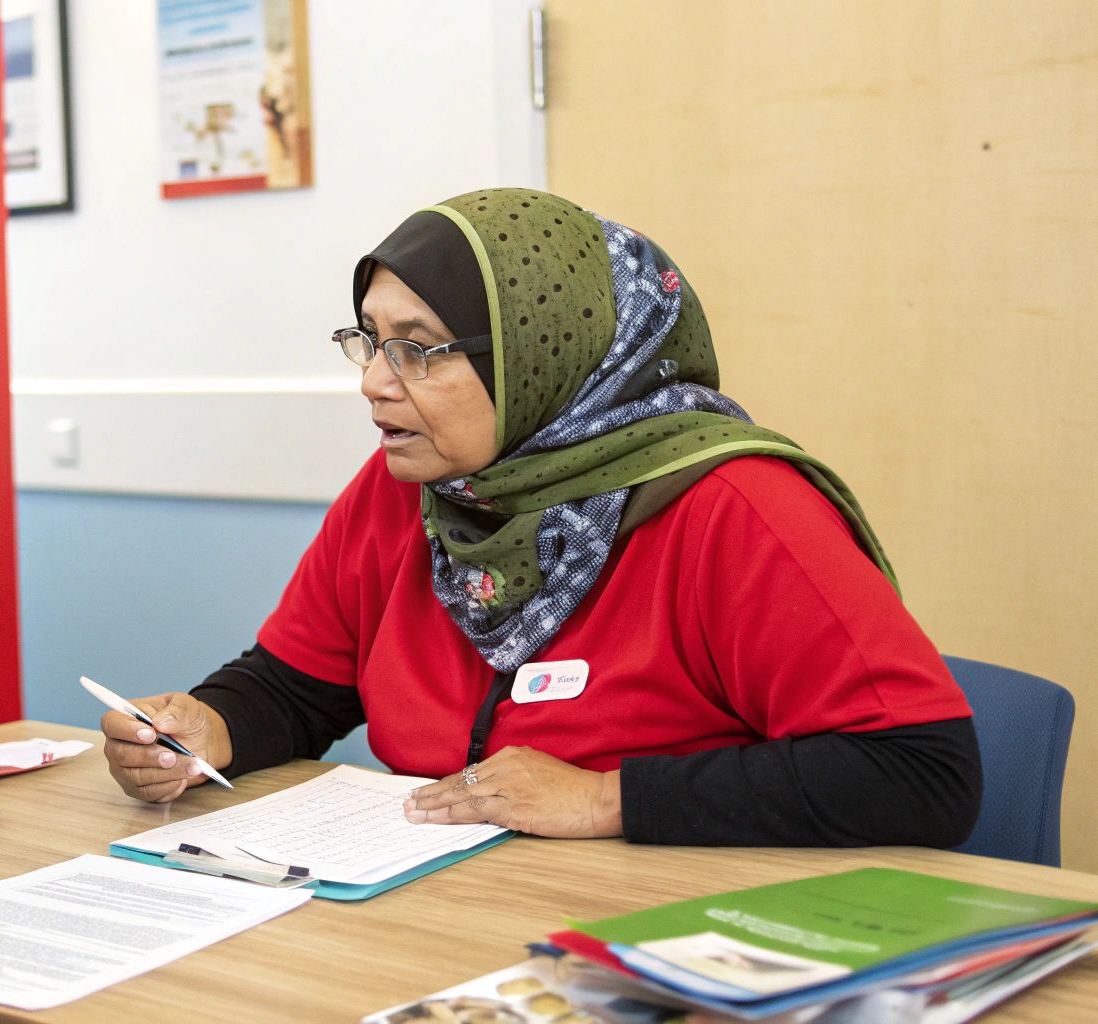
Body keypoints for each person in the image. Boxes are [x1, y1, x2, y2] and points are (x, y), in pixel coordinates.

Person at [100, 187, 981, 847]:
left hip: (671, 936)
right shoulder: (408, 488)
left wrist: (606, 799)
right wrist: (208, 729)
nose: (372, 381)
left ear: (541, 357)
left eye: (417, 350)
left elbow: (919, 773)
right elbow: (299, 687)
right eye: (369, 340)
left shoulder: (733, 507)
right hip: (453, 917)